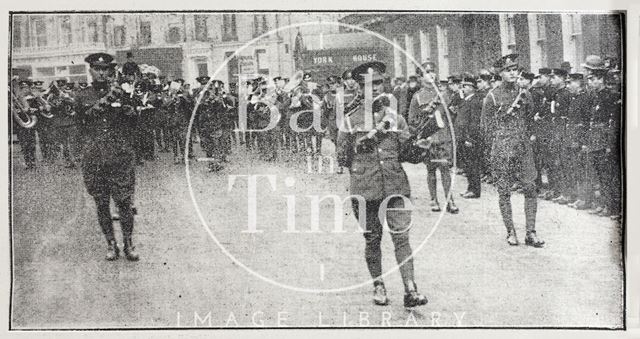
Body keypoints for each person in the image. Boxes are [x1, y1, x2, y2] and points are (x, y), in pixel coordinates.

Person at [337, 61, 428, 308]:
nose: (375, 88)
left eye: (378, 83)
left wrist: (419, 150)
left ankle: (410, 289)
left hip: (396, 186)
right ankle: (378, 284)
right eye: (368, 85)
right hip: (366, 190)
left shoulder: (395, 117)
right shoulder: (349, 120)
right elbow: (342, 158)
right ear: (359, 89)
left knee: (401, 237)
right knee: (372, 239)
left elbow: (407, 152)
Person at [75, 52, 140, 261]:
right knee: (102, 203)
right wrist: (107, 100)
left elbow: (134, 124)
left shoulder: (122, 93)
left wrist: (130, 112)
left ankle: (128, 244)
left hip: (120, 156)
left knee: (124, 203)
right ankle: (111, 245)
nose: (101, 72)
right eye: (97, 69)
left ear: (110, 71)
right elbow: (81, 123)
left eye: (105, 69)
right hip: (95, 157)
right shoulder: (82, 96)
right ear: (91, 71)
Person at [481, 54, 544, 247]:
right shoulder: (491, 97)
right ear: (500, 73)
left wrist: (527, 138)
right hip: (502, 147)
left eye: (515, 70)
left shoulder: (525, 94)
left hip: (523, 146)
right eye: (508, 70)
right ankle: (510, 231)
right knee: (504, 190)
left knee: (530, 187)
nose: (513, 73)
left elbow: (530, 118)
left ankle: (531, 232)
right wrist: (497, 146)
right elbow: (486, 127)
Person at [408, 61, 459, 214]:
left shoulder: (444, 93)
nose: (431, 75)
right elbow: (412, 119)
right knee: (431, 169)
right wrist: (419, 134)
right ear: (421, 77)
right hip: (428, 138)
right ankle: (433, 199)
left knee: (445, 168)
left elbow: (451, 115)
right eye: (426, 73)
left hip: (443, 136)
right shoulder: (417, 97)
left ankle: (450, 200)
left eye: (432, 72)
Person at [457, 76, 484, 198]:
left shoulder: (475, 101)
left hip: (470, 138)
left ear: (472, 88)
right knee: (467, 165)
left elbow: (474, 122)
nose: (463, 88)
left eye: (466, 86)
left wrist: (470, 139)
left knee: (472, 165)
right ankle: (470, 188)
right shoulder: (466, 100)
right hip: (463, 137)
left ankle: (475, 190)